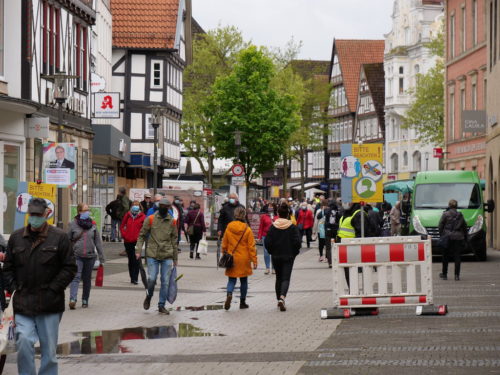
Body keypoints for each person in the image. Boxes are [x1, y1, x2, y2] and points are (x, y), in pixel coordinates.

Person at [3, 198, 77, 375]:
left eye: (38, 215)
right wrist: (15, 288)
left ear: (46, 214)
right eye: (32, 215)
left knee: (49, 351)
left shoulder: (59, 237)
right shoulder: (16, 237)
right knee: (24, 342)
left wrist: (53, 289)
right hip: (23, 302)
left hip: (49, 304)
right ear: (28, 215)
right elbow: (8, 268)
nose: (35, 218)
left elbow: (70, 267)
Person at [136, 198, 178, 314]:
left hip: (167, 254)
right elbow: (141, 235)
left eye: (166, 206)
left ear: (169, 208)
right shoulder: (150, 219)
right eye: (162, 206)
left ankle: (161, 305)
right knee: (152, 279)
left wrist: (175, 258)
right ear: (159, 206)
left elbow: (174, 240)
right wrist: (138, 250)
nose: (164, 208)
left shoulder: (172, 222)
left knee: (165, 281)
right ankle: (149, 296)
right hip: (152, 254)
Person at [264, 203, 301, 311]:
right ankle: (282, 298)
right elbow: (297, 242)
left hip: (276, 256)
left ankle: (278, 299)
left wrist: (271, 251)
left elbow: (267, 242)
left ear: (278, 214)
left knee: (278, 278)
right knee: (286, 278)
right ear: (288, 214)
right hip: (288, 256)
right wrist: (294, 252)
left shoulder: (273, 227)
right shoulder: (292, 227)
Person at [68, 203, 105, 309]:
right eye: (85, 210)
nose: (87, 212)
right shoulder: (73, 224)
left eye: (88, 210)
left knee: (87, 279)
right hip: (77, 255)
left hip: (90, 256)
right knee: (76, 277)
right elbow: (67, 239)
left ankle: (85, 299)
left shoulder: (93, 224)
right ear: (79, 212)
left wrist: (102, 257)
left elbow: (98, 241)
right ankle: (72, 299)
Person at [222, 206, 257, 310]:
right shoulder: (247, 229)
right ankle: (242, 302)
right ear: (244, 215)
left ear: (235, 214)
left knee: (231, 280)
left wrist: (224, 253)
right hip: (244, 259)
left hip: (231, 258)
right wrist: (254, 260)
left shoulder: (229, 227)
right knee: (244, 281)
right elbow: (251, 247)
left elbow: (224, 243)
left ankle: (229, 294)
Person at [438, 199, 467, 281]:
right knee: (457, 256)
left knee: (445, 256)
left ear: (449, 205)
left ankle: (444, 274)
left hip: (447, 237)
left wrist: (442, 235)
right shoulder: (460, 215)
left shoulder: (445, 214)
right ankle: (457, 276)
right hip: (458, 238)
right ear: (456, 206)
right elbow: (464, 227)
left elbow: (440, 226)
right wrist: (465, 237)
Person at [120, 200, 146, 284]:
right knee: (131, 259)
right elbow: (122, 225)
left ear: (139, 206)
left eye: (137, 205)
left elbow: (144, 229)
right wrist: (124, 235)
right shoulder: (127, 215)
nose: (135, 206)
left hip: (137, 241)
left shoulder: (142, 216)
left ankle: (135, 278)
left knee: (136, 259)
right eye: (134, 205)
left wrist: (140, 237)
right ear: (131, 206)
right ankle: (132, 277)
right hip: (128, 241)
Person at [258, 203, 276, 274]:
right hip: (265, 236)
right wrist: (259, 237)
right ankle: (267, 268)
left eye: (271, 207)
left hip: (274, 236)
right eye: (269, 207)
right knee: (266, 252)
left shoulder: (276, 216)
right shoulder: (264, 216)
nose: (270, 208)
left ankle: (274, 268)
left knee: (274, 253)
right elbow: (261, 227)